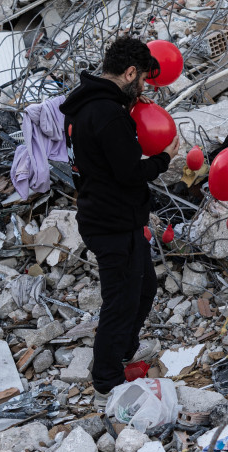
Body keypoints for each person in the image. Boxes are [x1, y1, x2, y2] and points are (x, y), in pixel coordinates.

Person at [59, 37, 180, 404]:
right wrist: (165, 158)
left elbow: (108, 157)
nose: (143, 87)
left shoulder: (93, 106)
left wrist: (130, 106)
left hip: (114, 217)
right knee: (121, 301)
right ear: (129, 72)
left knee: (143, 290)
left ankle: (124, 353)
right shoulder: (107, 113)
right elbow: (129, 172)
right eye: (141, 78)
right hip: (111, 223)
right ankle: (107, 380)